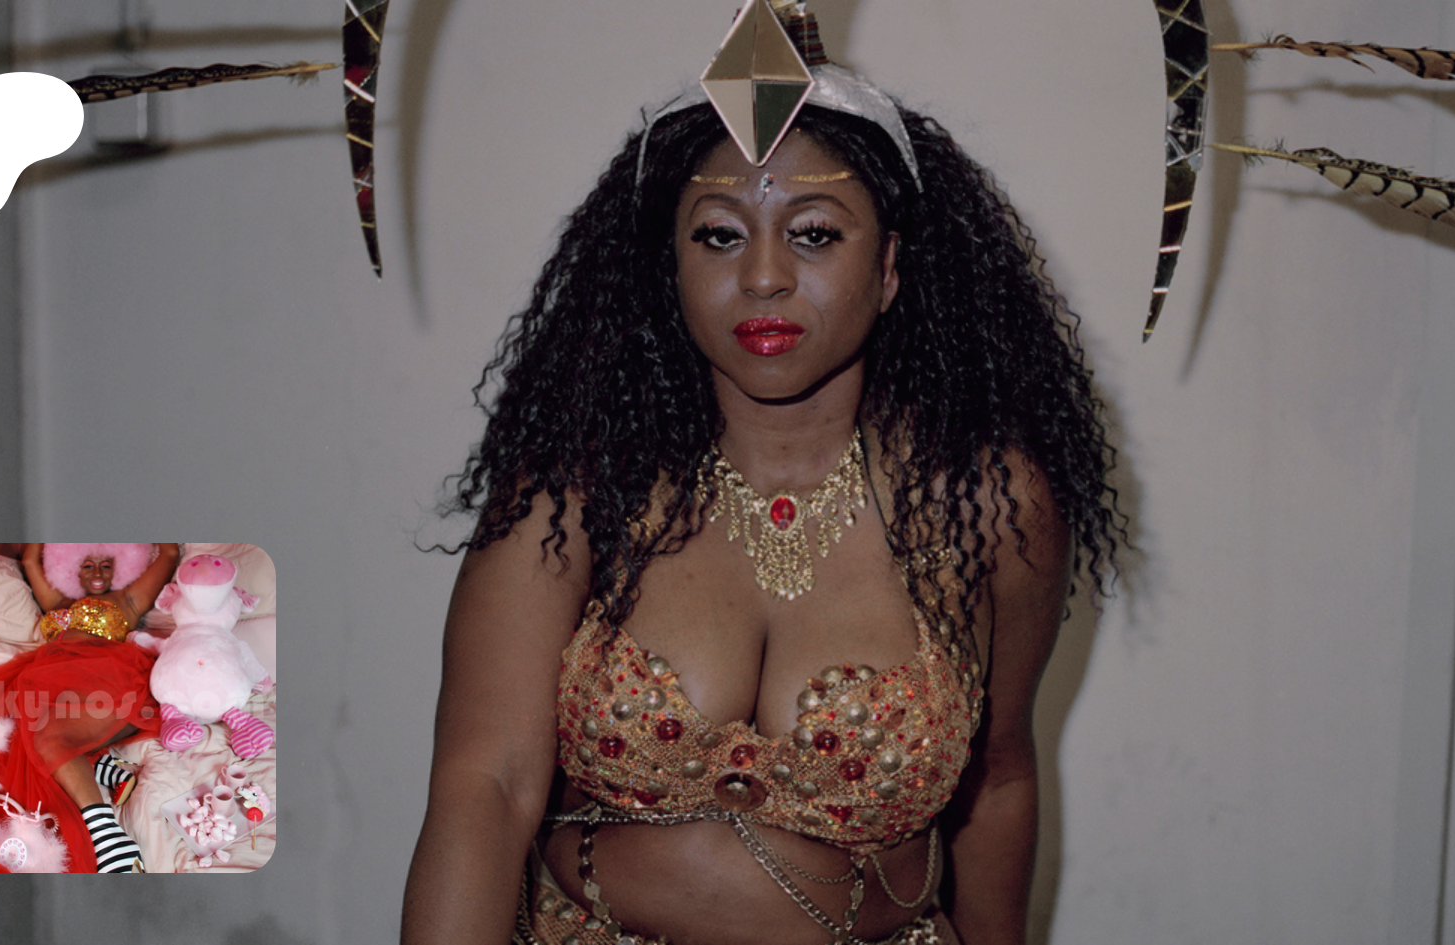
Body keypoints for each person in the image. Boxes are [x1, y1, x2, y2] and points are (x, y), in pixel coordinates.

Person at [403, 8, 1121, 943]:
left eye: (815, 233)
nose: (765, 277)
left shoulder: (988, 502)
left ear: (890, 266)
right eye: (718, 235)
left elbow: (1000, 779)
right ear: (669, 266)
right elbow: (485, 790)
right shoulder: (572, 493)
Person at [0, 542, 180, 872]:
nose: (97, 572)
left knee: (45, 737)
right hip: (50, 684)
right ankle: (100, 767)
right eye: (87, 565)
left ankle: (108, 835)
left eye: (106, 565)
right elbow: (31, 559)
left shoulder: (127, 600)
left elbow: (169, 554)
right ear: (71, 570)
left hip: (106, 678)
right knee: (11, 731)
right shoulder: (57, 603)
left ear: (120, 570)